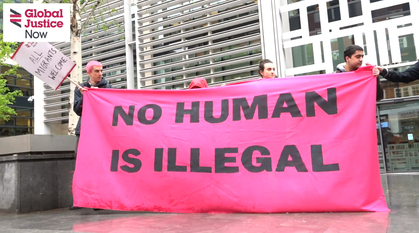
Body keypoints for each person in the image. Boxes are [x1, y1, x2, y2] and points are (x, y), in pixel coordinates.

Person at [73, 61, 112, 155]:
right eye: (97, 71)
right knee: (82, 157)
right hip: (84, 130)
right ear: (89, 73)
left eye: (101, 71)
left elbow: (110, 109)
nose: (100, 74)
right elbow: (77, 111)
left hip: (102, 130)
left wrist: (98, 95)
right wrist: (84, 97)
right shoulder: (80, 88)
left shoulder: (108, 88)